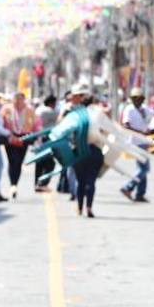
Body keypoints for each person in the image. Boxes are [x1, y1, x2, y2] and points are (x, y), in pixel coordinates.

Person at [67, 86, 103, 218]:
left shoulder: (76, 114)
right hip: (95, 150)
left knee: (80, 181)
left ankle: (79, 207)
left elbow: (69, 132)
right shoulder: (98, 114)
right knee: (91, 181)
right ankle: (89, 207)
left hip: (79, 150)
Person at [119, 88, 152, 203]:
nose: (137, 100)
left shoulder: (144, 110)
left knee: (142, 168)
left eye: (139, 98)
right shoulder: (129, 109)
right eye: (135, 98)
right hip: (135, 142)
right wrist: (140, 132)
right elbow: (126, 125)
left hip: (143, 141)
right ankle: (128, 187)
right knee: (145, 169)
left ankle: (140, 194)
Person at [1, 92, 36, 199]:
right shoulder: (6, 109)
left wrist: (34, 136)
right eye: (16, 99)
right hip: (10, 137)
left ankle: (15, 183)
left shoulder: (29, 110)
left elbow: (35, 124)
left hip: (24, 137)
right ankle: (13, 184)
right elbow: (1, 122)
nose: (18, 102)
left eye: (20, 99)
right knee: (12, 161)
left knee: (19, 162)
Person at [34, 95, 58, 191]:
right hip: (46, 139)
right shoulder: (49, 111)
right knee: (50, 164)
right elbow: (59, 118)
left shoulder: (38, 110)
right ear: (51, 103)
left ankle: (37, 184)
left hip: (38, 138)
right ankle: (42, 183)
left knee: (39, 163)